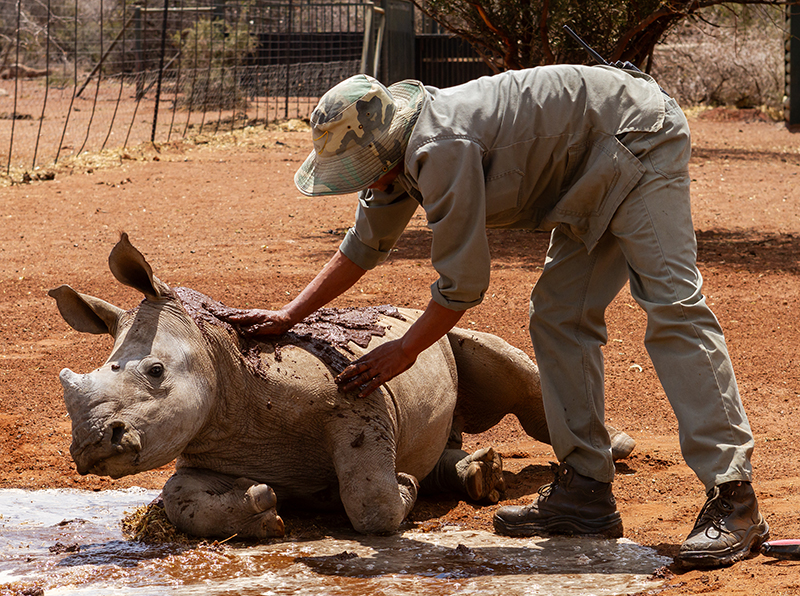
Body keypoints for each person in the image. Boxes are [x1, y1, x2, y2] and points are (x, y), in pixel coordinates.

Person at [221, 66, 768, 568]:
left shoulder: (439, 148)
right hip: (585, 168)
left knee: (673, 307)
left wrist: (405, 350)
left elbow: (463, 287)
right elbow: (364, 245)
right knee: (557, 315)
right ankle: (586, 491)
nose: (362, 182)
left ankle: (734, 498)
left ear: (382, 151)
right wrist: (290, 313)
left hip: (635, 136)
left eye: (360, 170)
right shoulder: (395, 160)